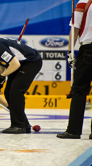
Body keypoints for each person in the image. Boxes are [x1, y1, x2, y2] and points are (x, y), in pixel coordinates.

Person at [57, 0, 92, 139]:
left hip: (88, 48)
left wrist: (70, 52)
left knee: (79, 90)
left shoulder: (83, 2)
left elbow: (75, 28)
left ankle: (73, 130)